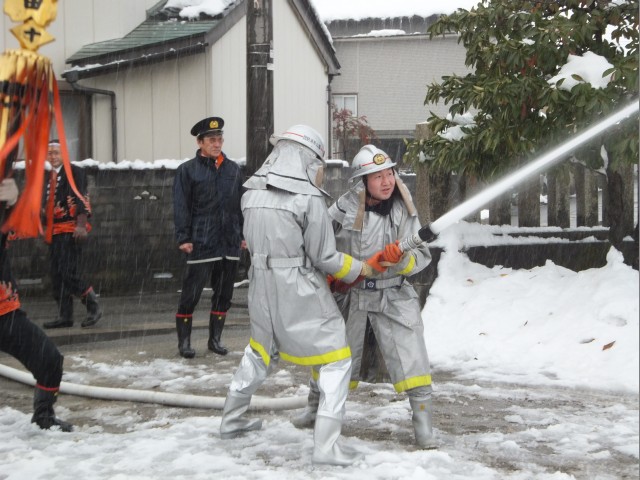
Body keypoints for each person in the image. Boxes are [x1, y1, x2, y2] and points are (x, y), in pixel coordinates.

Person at [218, 125, 384, 466]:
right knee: (337, 357)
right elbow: (324, 257)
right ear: (307, 160)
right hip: (298, 285)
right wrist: (360, 269)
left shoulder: (251, 192)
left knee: (260, 350)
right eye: (318, 164)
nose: (320, 171)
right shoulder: (307, 199)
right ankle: (326, 446)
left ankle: (231, 420)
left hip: (260, 283)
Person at [292, 145, 437, 449]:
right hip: (350, 296)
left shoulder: (404, 211)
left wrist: (401, 261)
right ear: (362, 181)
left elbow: (423, 256)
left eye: (390, 173)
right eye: (378, 176)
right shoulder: (342, 209)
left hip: (393, 295)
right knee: (329, 356)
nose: (387, 181)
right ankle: (314, 409)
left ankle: (423, 426)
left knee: (414, 358)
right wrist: (333, 276)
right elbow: (319, 248)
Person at [0, 178, 73, 431]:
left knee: (50, 360)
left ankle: (44, 416)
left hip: (6, 313)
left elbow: (25, 226)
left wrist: (12, 204)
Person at [172, 117, 245, 359]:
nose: (217, 143)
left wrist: (242, 234)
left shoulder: (233, 170)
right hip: (201, 241)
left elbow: (240, 205)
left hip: (229, 240)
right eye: (212, 139)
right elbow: (181, 206)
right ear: (200, 142)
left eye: (220, 139)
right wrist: (183, 236)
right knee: (191, 294)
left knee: (224, 294)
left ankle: (215, 340)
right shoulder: (187, 171)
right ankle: (185, 342)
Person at [42, 139, 102, 329]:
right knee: (56, 275)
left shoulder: (75, 171)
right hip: (53, 230)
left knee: (68, 271)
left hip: (70, 228)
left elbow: (81, 195)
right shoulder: (46, 176)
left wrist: (81, 224)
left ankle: (93, 306)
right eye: (50, 153)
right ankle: (65, 315)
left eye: (56, 152)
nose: (53, 156)